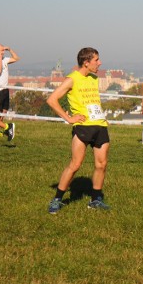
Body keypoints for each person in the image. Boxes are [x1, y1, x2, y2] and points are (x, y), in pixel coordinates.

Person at [47, 47, 111, 213]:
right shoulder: (72, 79)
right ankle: (57, 199)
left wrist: (101, 116)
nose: (100, 62)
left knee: (101, 164)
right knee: (75, 164)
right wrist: (68, 118)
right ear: (86, 62)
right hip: (83, 127)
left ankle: (96, 200)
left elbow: (92, 101)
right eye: (96, 60)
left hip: (100, 126)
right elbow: (52, 100)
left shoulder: (94, 79)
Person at [0, 44, 20, 136]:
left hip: (5, 88)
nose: (3, 52)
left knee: (4, 111)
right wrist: (0, 59)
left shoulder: (4, 59)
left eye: (3, 50)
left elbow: (16, 58)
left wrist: (10, 49)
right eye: (1, 50)